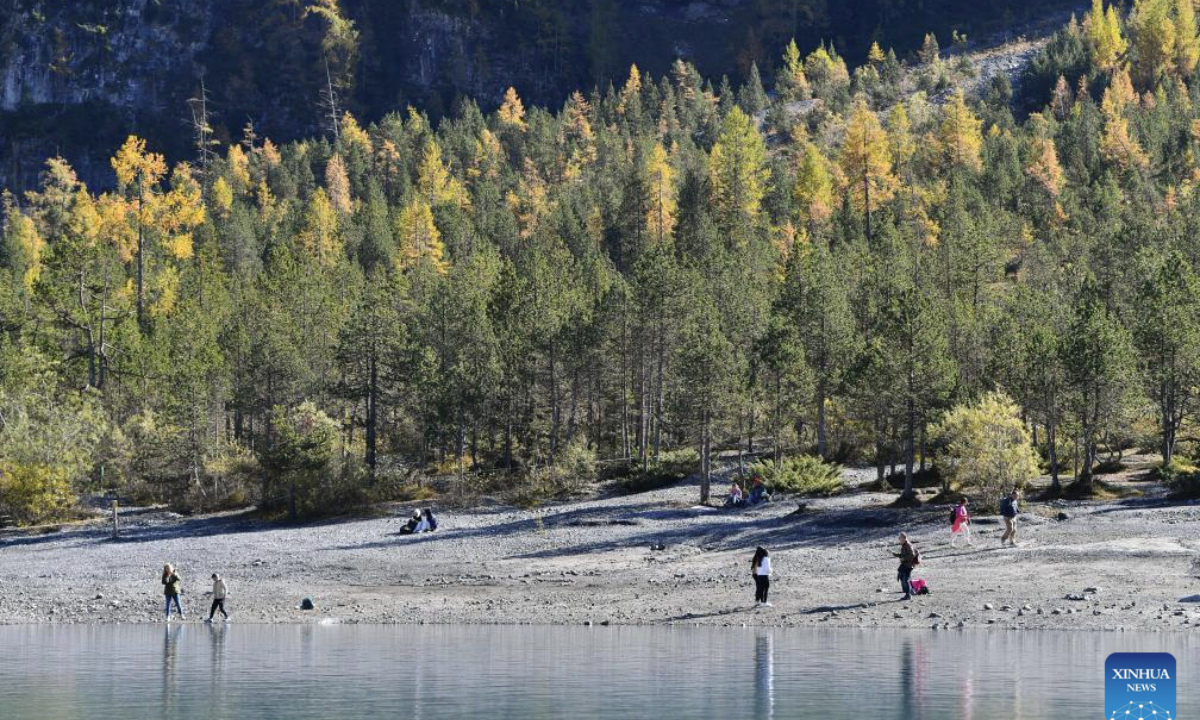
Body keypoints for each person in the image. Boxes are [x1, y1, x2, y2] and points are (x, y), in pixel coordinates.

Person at [893, 533, 918, 601]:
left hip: (908, 565)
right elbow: (903, 555)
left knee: (905, 579)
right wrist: (895, 554)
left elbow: (912, 555)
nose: (899, 539)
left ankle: (908, 595)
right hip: (906, 564)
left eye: (900, 538)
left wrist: (904, 559)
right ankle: (911, 591)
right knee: (903, 578)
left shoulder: (908, 545)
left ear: (904, 538)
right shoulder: (904, 545)